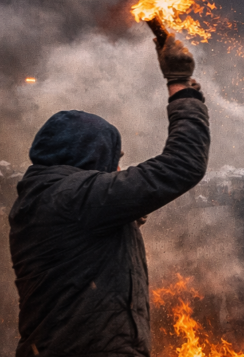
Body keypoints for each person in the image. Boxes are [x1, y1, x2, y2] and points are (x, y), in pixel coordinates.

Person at [8, 33, 210, 356]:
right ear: (90, 155)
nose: (118, 169)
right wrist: (180, 85)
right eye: (114, 159)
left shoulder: (49, 199)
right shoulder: (74, 198)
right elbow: (183, 164)